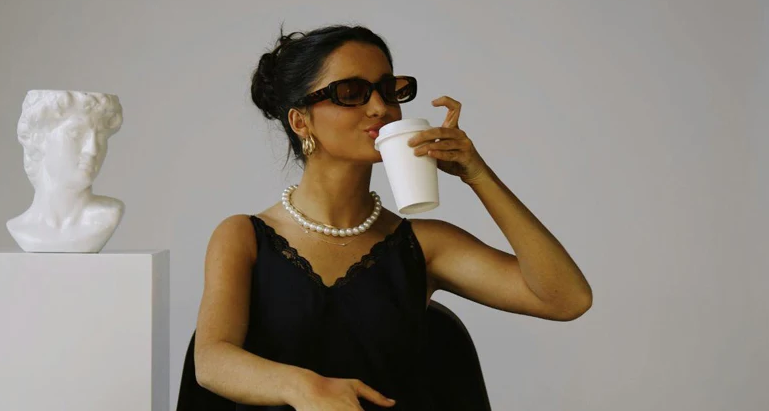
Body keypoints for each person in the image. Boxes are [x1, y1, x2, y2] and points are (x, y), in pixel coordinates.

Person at [192, 24, 593, 410]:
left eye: (388, 90)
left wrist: (477, 174)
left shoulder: (424, 245)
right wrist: (309, 389)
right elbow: (211, 362)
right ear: (301, 121)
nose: (381, 108)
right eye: (352, 92)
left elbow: (566, 298)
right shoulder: (243, 236)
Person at [7, 89, 124, 252]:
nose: (93, 149)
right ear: (39, 138)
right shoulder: (21, 227)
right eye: (76, 134)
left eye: (100, 137)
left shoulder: (105, 217)